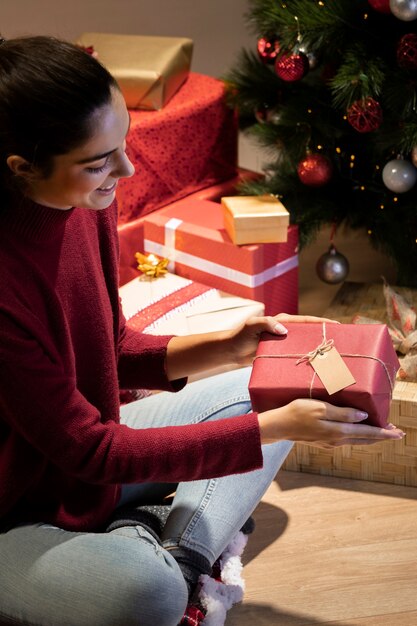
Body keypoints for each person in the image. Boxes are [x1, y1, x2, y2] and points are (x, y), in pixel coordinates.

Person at [0, 35, 404, 626]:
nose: (126, 169)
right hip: (18, 507)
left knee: (278, 389)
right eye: (97, 162)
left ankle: (174, 552)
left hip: (87, 467)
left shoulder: (85, 201)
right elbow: (91, 449)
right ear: (21, 168)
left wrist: (229, 344)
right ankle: (172, 562)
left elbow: (109, 348)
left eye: (122, 145)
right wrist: (270, 430)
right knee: (146, 596)